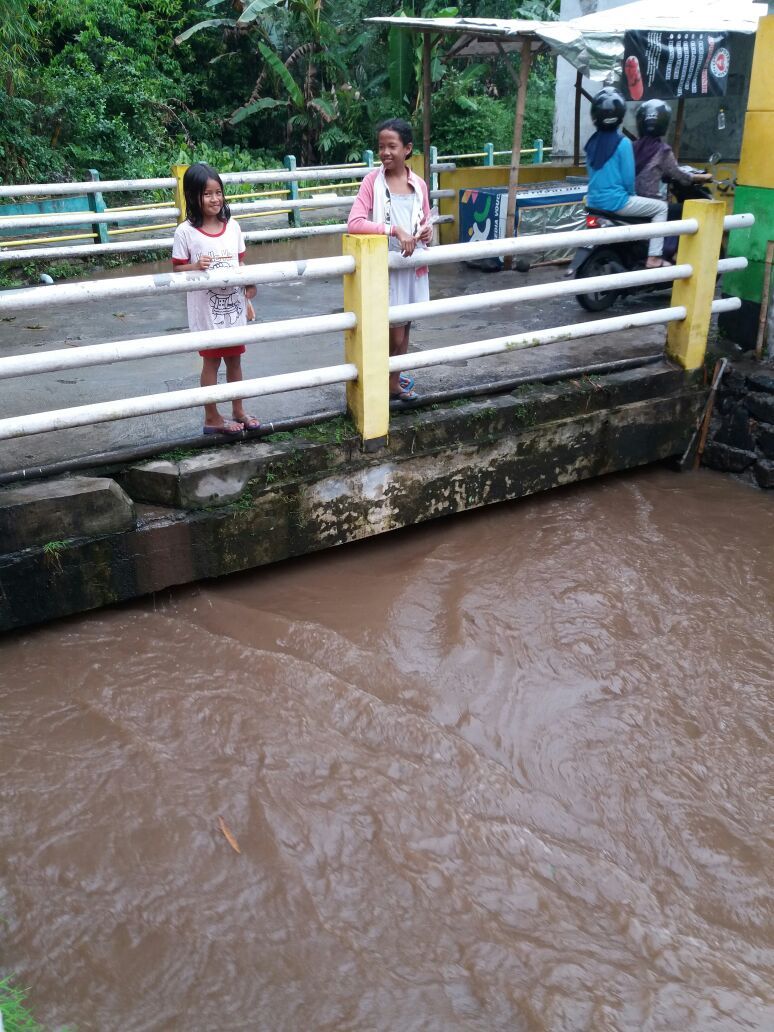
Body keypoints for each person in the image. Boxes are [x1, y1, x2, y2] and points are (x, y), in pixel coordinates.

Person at [347, 118, 433, 403]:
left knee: (405, 329)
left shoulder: (418, 184)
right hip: (384, 269)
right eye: (381, 146)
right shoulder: (372, 182)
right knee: (391, 335)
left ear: (407, 149)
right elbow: (355, 222)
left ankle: (393, 383)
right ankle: (378, 381)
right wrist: (392, 230)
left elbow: (425, 221)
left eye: (392, 146)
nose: (385, 152)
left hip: (412, 267)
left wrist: (426, 231)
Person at [172, 162, 260, 435]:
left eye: (218, 192)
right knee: (211, 361)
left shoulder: (232, 226)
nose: (215, 199)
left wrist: (249, 285)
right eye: (207, 194)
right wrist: (196, 266)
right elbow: (176, 268)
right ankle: (212, 417)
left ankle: (238, 409)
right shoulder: (185, 232)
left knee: (235, 360)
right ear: (193, 197)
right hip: (206, 312)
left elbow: (240, 262)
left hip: (234, 307)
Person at [585, 87, 670, 269]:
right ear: (621, 115)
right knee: (662, 208)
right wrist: (631, 194)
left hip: (593, 202)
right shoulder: (623, 143)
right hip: (617, 202)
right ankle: (654, 258)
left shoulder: (590, 142)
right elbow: (628, 179)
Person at [633, 99, 713, 205]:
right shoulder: (663, 151)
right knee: (680, 211)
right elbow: (680, 175)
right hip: (650, 202)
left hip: (632, 201)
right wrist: (704, 177)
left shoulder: (632, 146)